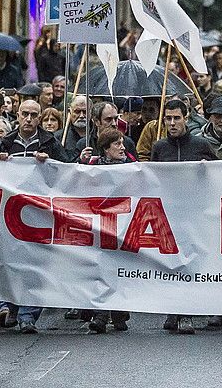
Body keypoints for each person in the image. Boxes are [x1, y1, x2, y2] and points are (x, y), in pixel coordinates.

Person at [0, 99, 62, 333]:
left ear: (40, 118)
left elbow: (67, 171)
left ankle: (27, 316)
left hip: (38, 214)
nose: (29, 119)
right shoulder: (6, 142)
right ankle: (8, 305)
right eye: (25, 114)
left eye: (34, 115)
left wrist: (50, 163)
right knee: (9, 261)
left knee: (35, 264)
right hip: (9, 215)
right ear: (18, 115)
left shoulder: (50, 143)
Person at [152, 99, 215, 334]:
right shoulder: (160, 147)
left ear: (186, 118)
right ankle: (173, 310)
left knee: (189, 262)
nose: (172, 123)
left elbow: (220, 173)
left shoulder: (201, 145)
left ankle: (186, 313)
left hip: (194, 214)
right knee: (171, 264)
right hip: (168, 214)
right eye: (168, 118)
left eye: (176, 118)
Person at [87, 128, 132, 333]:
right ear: (106, 149)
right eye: (117, 144)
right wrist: (80, 162)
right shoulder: (92, 165)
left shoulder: (131, 165)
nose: (122, 147)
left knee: (118, 266)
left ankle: (118, 313)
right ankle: (102, 314)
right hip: (100, 221)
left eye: (122, 143)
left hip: (123, 221)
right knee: (102, 267)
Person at [57, 94, 89, 163]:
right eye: (77, 112)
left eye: (85, 112)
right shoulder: (59, 137)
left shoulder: (98, 137)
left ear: (91, 112)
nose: (81, 116)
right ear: (70, 112)